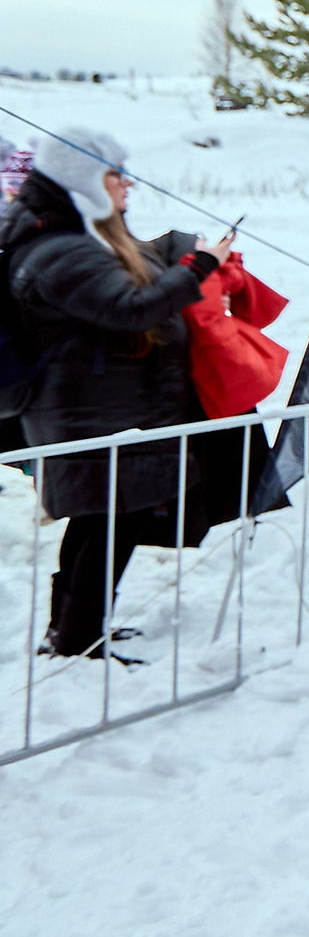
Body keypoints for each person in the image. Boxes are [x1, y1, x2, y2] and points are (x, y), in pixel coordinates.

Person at [2, 128, 247, 660]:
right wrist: (199, 267)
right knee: (117, 518)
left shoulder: (61, 235)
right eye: (115, 173)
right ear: (84, 177)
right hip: (90, 414)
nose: (126, 184)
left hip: (92, 408)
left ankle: (68, 627)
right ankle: (80, 639)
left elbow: (125, 272)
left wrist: (178, 252)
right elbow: (131, 308)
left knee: (97, 516)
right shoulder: (60, 249)